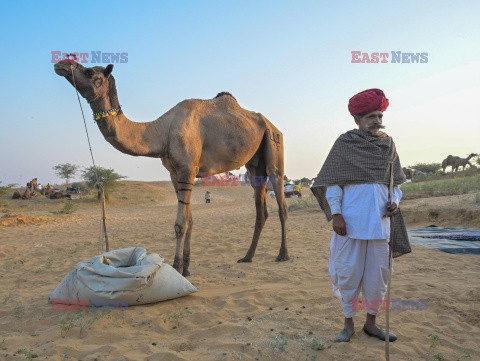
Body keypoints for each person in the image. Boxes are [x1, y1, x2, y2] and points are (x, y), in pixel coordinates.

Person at [311, 89, 410, 343]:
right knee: (348, 274)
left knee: (379, 276)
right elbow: (333, 184)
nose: (377, 120)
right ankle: (347, 325)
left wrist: (395, 203)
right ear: (358, 119)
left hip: (381, 226)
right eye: (371, 116)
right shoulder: (345, 144)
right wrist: (337, 215)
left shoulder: (388, 144)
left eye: (379, 115)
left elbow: (395, 185)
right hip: (350, 225)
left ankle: (372, 325)